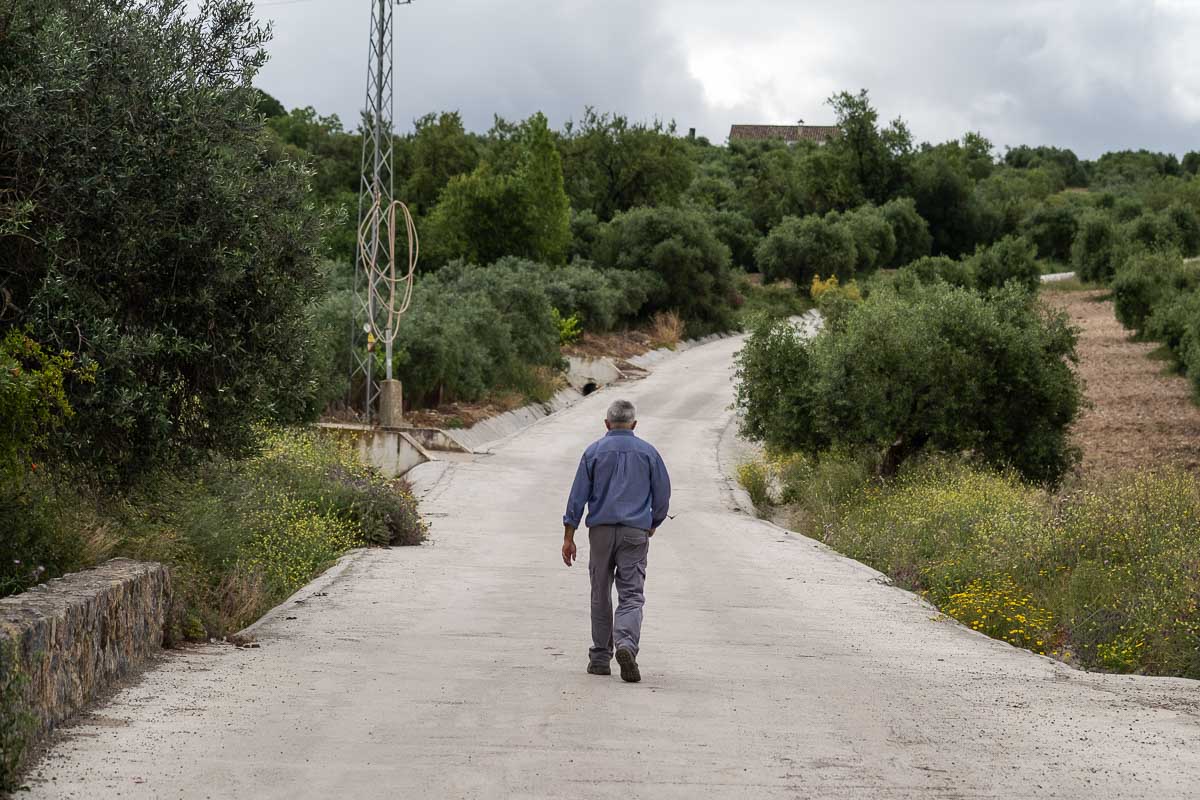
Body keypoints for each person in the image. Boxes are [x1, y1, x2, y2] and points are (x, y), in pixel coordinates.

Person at [561, 398, 671, 683]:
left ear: (607, 423)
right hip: (635, 531)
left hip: (600, 532)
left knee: (600, 592)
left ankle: (600, 658)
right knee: (631, 594)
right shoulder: (649, 453)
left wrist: (569, 536)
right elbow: (663, 495)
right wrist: (654, 523)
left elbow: (577, 497)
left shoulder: (593, 452)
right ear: (634, 424)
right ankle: (626, 645)